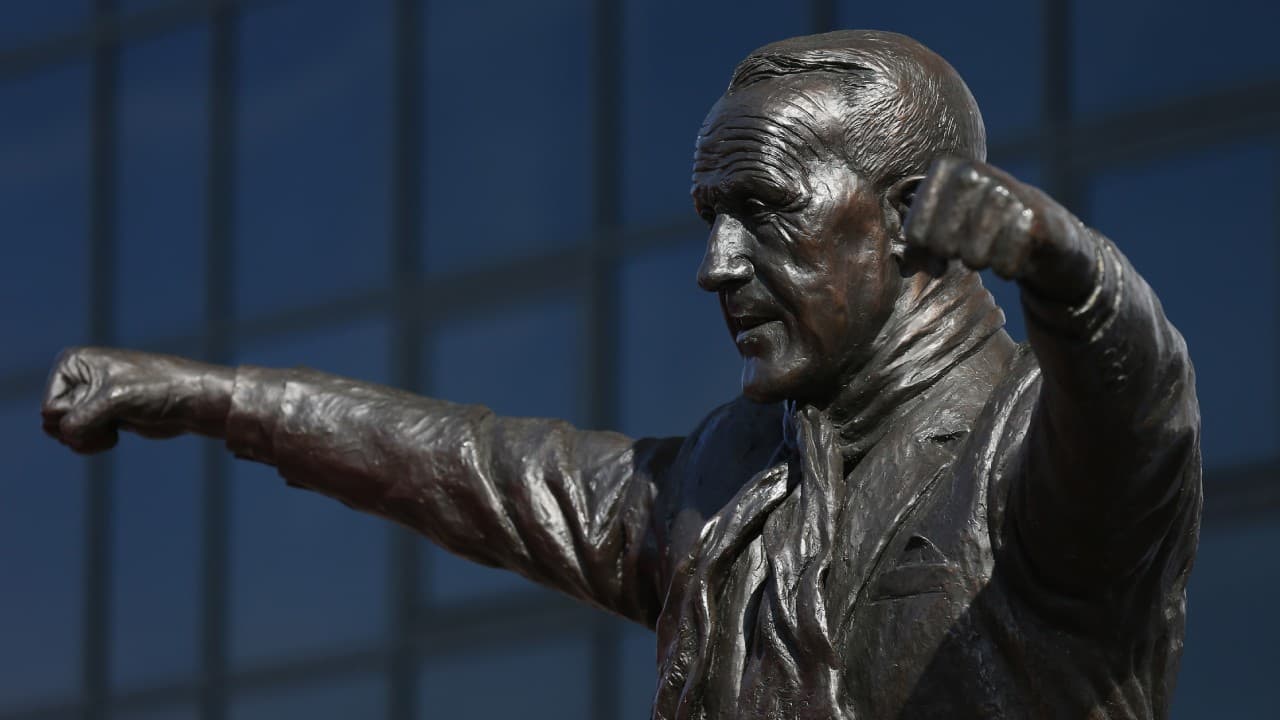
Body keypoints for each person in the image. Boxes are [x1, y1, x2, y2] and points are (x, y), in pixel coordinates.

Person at [42, 30, 1200, 719]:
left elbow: (1136, 403)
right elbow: (479, 468)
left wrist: (1064, 270)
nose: (716, 267)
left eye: (762, 213)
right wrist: (213, 397)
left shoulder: (1034, 453)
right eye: (709, 219)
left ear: (907, 220)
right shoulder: (729, 474)